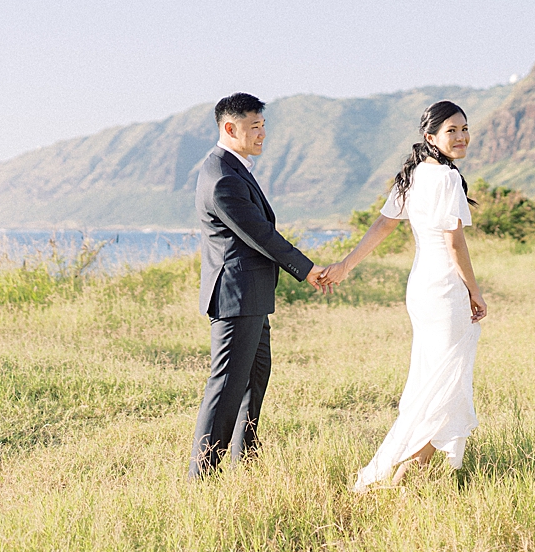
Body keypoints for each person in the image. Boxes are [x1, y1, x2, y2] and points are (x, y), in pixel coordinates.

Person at [322, 99, 488, 491]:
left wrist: (347, 265)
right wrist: (475, 292)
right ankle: (397, 479)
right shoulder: (445, 179)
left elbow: (383, 224)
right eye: (452, 131)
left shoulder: (413, 174)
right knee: (445, 385)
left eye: (464, 128)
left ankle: (399, 477)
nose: (461, 136)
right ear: (431, 137)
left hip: (421, 289)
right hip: (445, 290)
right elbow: (455, 243)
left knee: (433, 380)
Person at [188, 93, 331, 479]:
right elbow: (261, 235)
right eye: (254, 127)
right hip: (236, 296)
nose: (262, 134)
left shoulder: (234, 168)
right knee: (226, 389)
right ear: (229, 128)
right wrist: (308, 269)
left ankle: (246, 461)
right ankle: (201, 478)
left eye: (263, 125)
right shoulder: (222, 179)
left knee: (254, 376)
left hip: (250, 295)